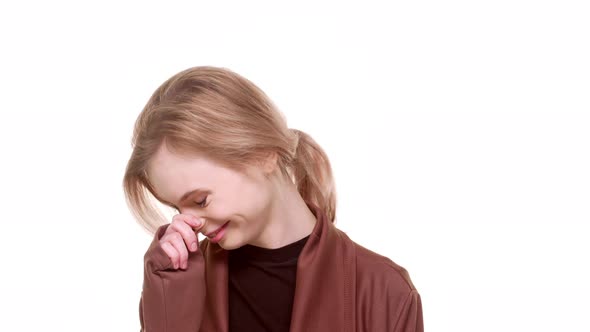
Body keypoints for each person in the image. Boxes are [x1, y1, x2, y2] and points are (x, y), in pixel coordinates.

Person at [122, 66, 423, 332]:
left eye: (200, 200)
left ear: (262, 154)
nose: (193, 223)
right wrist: (169, 305)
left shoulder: (383, 290)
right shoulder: (178, 284)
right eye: (177, 208)